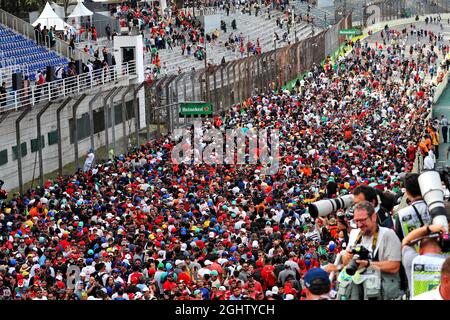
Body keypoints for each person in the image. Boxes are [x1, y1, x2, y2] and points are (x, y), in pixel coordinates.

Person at [339, 201, 402, 300]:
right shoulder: (354, 234)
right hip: (359, 289)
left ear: (373, 217)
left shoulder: (387, 234)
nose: (359, 225)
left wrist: (368, 264)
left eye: (362, 220)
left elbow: (394, 266)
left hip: (381, 290)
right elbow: (346, 262)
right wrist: (347, 257)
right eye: (356, 221)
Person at [401, 224, 447, 298]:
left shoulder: (412, 261)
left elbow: (406, 240)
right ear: (441, 249)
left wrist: (428, 229)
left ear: (420, 249)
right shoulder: (447, 263)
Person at [395, 173, 431, 241]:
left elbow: (399, 241)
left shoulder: (401, 215)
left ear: (407, 192)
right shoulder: (437, 207)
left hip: (413, 250)